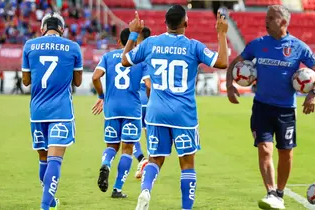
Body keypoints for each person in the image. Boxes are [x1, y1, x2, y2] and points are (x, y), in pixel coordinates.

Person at [121, 5, 229, 210]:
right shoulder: (193, 46)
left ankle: (145, 190)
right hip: (183, 114)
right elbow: (222, 62)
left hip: (155, 113)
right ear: (186, 23)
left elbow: (125, 60)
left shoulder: (151, 43)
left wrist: (134, 33)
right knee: (187, 164)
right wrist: (222, 34)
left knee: (155, 159)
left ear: (166, 23)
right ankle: (186, 208)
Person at [225, 5, 315, 210]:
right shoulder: (257, 45)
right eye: (266, 17)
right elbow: (234, 64)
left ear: (283, 22)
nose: (266, 21)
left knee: (286, 153)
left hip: (286, 111)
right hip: (262, 107)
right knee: (264, 149)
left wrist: (313, 93)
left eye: (270, 18)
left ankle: (279, 193)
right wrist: (230, 85)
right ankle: (271, 192)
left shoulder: (298, 47)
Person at [21, 12, 83, 210]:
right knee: (55, 159)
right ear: (62, 29)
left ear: (42, 28)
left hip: (38, 111)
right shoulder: (73, 47)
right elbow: (78, 82)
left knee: (43, 158)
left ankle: (50, 201)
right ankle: (45, 205)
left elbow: (25, 81)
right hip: (61, 111)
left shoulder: (30, 46)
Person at [91, 27, 151, 198]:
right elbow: (148, 85)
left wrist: (102, 96)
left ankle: (106, 164)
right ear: (134, 42)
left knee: (111, 146)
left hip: (111, 109)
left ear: (119, 42)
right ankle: (117, 189)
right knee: (127, 149)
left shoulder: (108, 57)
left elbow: (95, 77)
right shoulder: (140, 61)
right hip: (132, 109)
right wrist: (151, 100)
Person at [133, 27, 151, 180]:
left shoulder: (134, 54)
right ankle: (150, 165)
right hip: (150, 99)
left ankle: (141, 159)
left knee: (131, 135)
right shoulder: (153, 52)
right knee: (150, 134)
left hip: (135, 99)